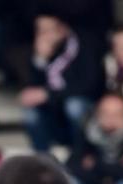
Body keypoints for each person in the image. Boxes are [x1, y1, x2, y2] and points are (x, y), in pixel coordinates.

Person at [21, 14, 103, 153]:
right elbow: (33, 86)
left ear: (63, 29)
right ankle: (42, 156)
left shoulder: (84, 45)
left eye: (49, 30)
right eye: (40, 31)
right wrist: (40, 59)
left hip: (82, 105)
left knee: (74, 106)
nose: (44, 35)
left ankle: (80, 153)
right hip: (54, 109)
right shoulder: (40, 49)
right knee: (30, 113)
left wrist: (49, 95)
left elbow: (89, 85)